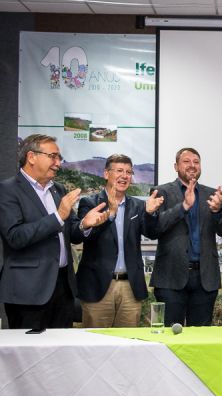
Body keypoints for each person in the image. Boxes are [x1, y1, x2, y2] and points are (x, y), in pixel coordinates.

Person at [0, 134, 108, 329]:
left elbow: (72, 233)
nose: (58, 163)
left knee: (61, 355)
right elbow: (15, 237)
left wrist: (85, 224)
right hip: (28, 292)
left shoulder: (56, 189)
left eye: (59, 158)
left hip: (63, 288)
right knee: (29, 356)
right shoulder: (8, 190)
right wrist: (58, 217)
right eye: (53, 156)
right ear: (31, 157)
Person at [76, 154, 164, 328]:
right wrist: (110, 215)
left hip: (130, 287)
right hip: (98, 287)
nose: (125, 176)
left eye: (129, 172)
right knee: (96, 344)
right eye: (119, 171)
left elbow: (152, 233)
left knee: (128, 344)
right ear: (106, 174)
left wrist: (150, 214)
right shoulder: (90, 203)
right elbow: (84, 236)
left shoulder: (138, 206)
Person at [151, 148, 222, 326]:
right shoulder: (161, 192)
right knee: (170, 337)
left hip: (204, 279)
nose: (192, 165)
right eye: (186, 161)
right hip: (170, 277)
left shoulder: (213, 195)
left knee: (201, 338)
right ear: (176, 166)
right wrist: (183, 207)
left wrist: (218, 211)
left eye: (196, 161)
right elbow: (155, 228)